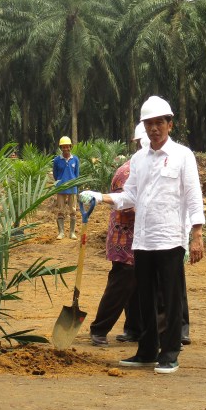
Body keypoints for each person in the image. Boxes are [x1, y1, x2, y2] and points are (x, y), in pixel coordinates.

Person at [85, 96, 205, 374]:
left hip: (170, 238)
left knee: (170, 298)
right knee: (145, 299)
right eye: (148, 123)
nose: (154, 128)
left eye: (159, 123)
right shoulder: (138, 159)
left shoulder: (183, 156)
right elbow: (130, 196)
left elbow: (193, 195)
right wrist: (100, 197)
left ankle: (170, 352)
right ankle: (147, 351)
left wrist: (196, 233)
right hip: (143, 240)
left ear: (169, 125)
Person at [89, 124, 148, 347]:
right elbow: (126, 204)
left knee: (137, 286)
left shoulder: (145, 167)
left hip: (139, 238)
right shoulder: (128, 172)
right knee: (121, 285)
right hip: (125, 239)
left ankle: (134, 329)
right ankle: (99, 329)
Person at [52, 136, 80, 240]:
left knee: (73, 210)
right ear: (61, 148)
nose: (65, 149)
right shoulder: (57, 160)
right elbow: (55, 174)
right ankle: (61, 232)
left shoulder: (75, 159)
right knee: (61, 210)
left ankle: (72, 232)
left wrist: (74, 183)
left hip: (72, 188)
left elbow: (77, 174)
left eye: (67, 147)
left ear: (70, 147)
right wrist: (60, 183)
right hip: (61, 188)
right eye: (63, 147)